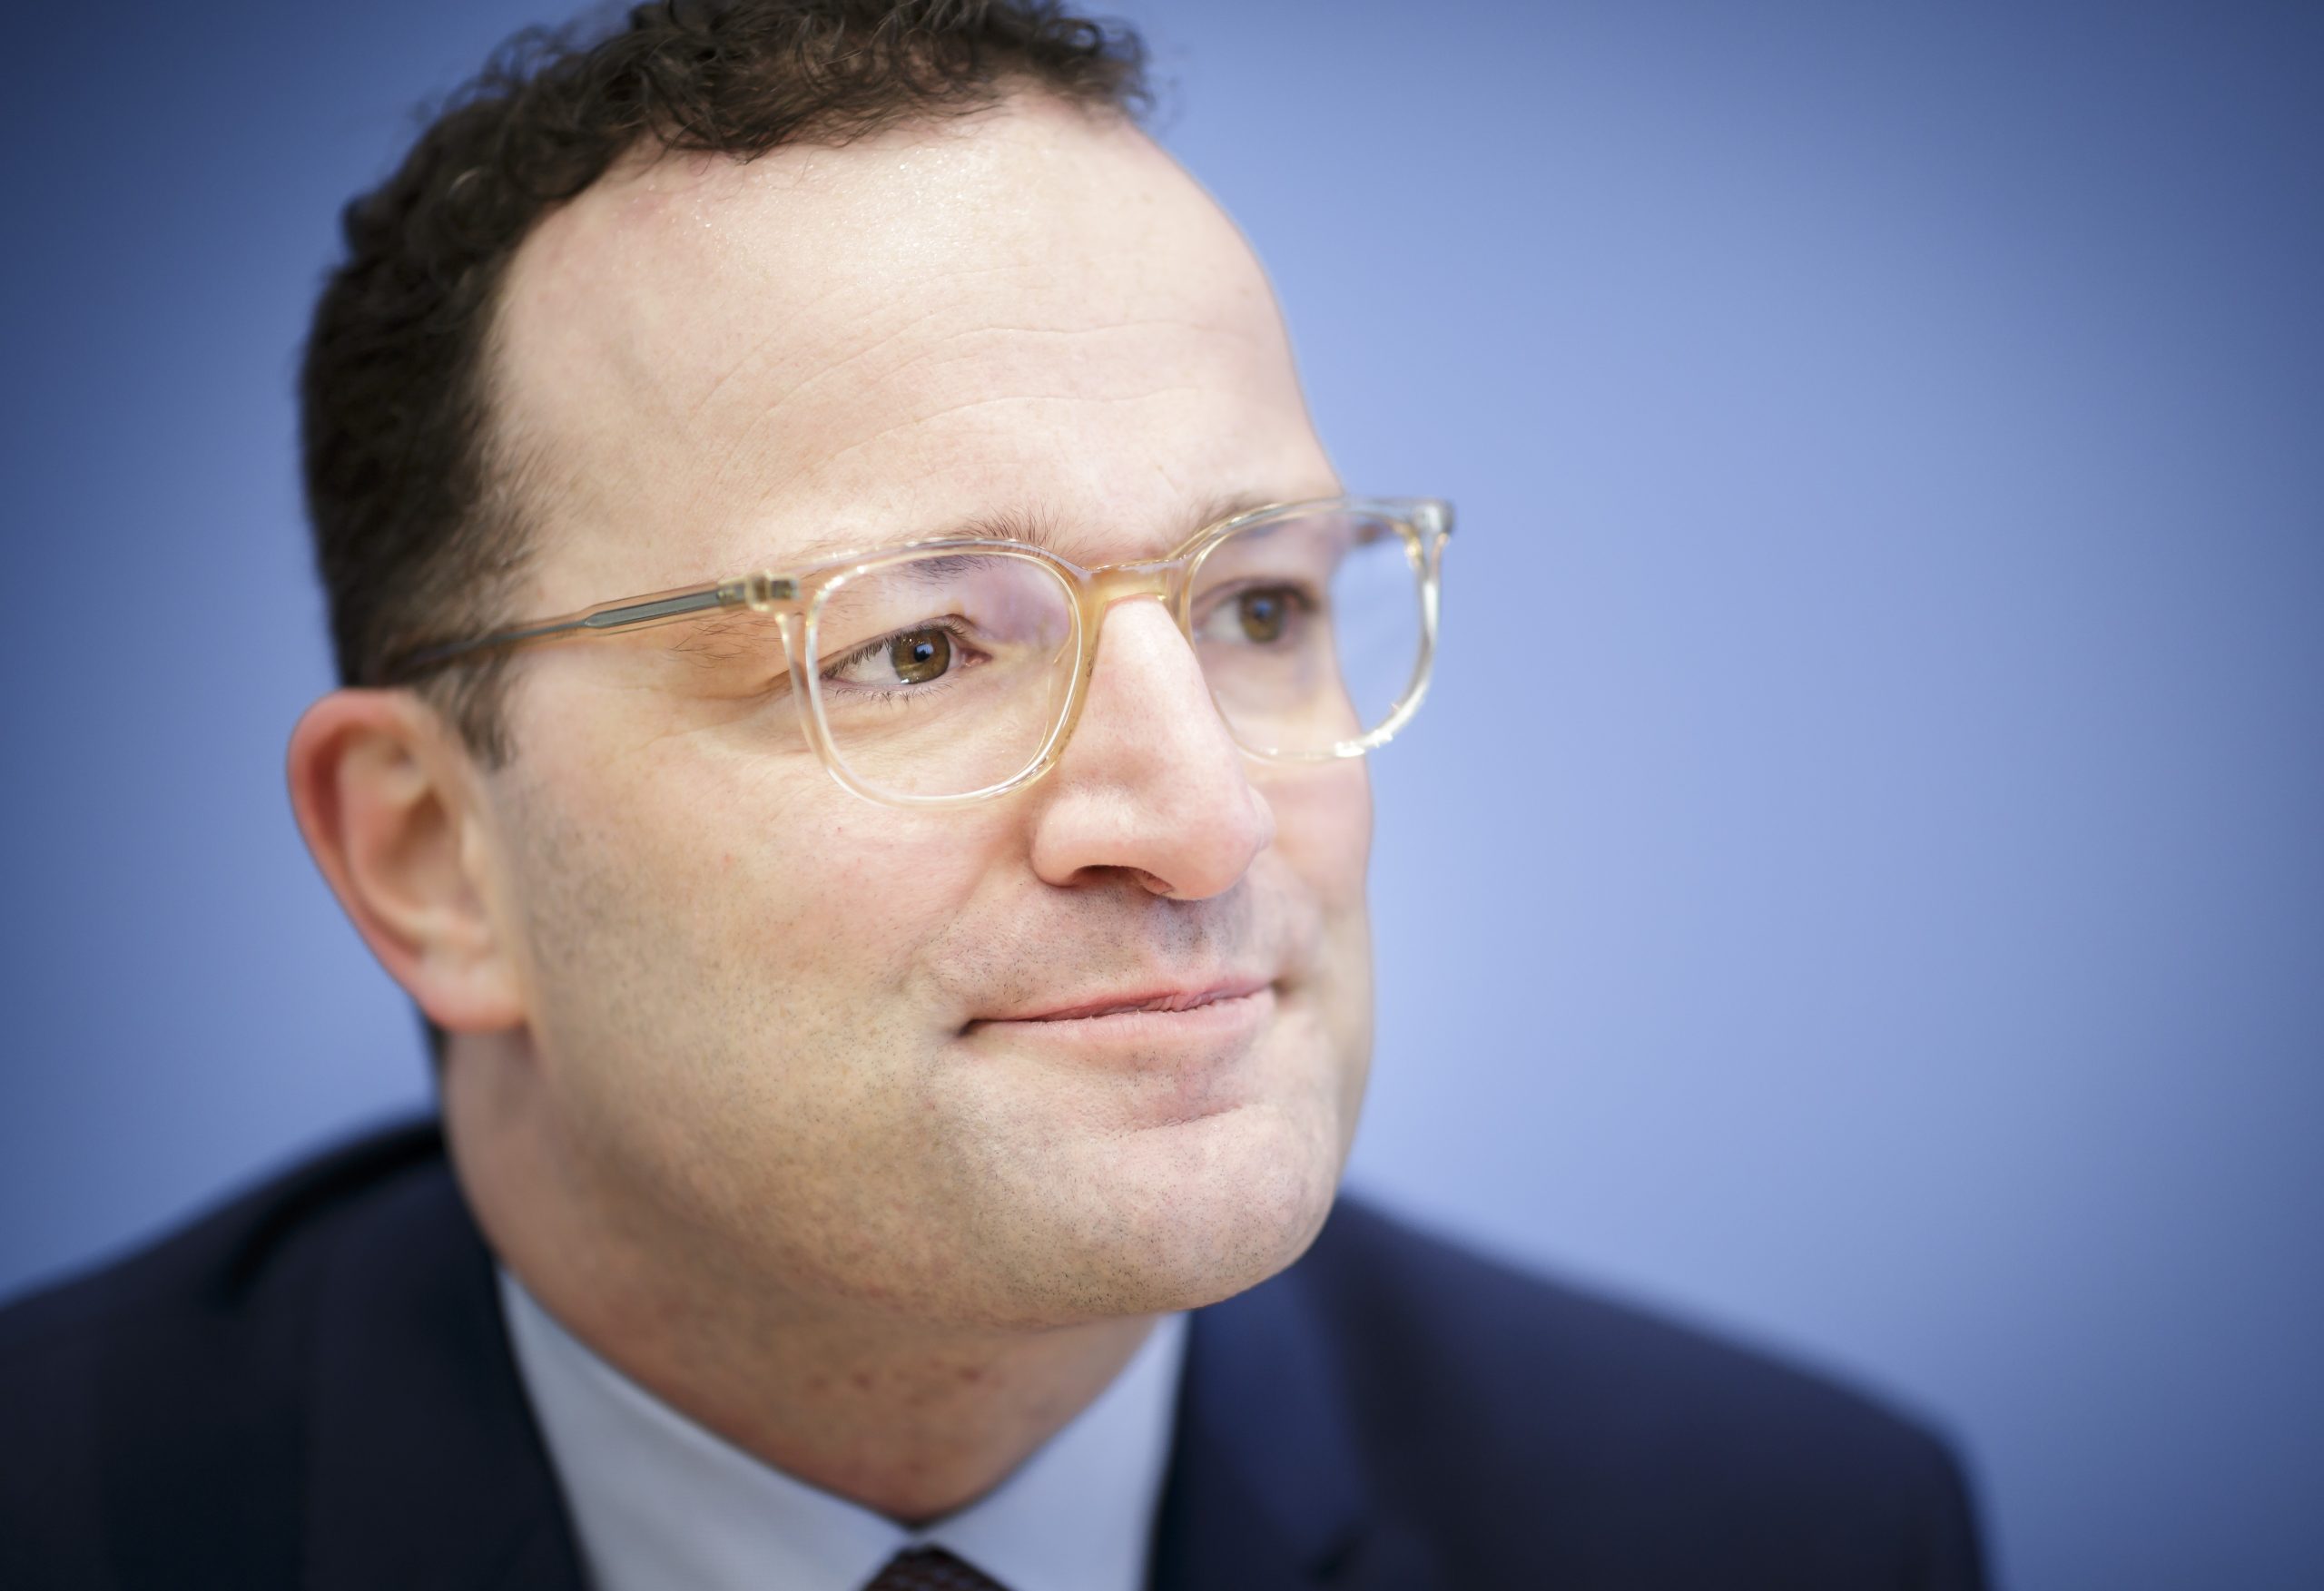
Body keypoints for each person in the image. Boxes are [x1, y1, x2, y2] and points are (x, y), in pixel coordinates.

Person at [0, 3, 1987, 1586]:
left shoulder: (1776, 1530)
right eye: (921, 649)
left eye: (1258, 603)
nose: (1201, 822)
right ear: (430, 859)